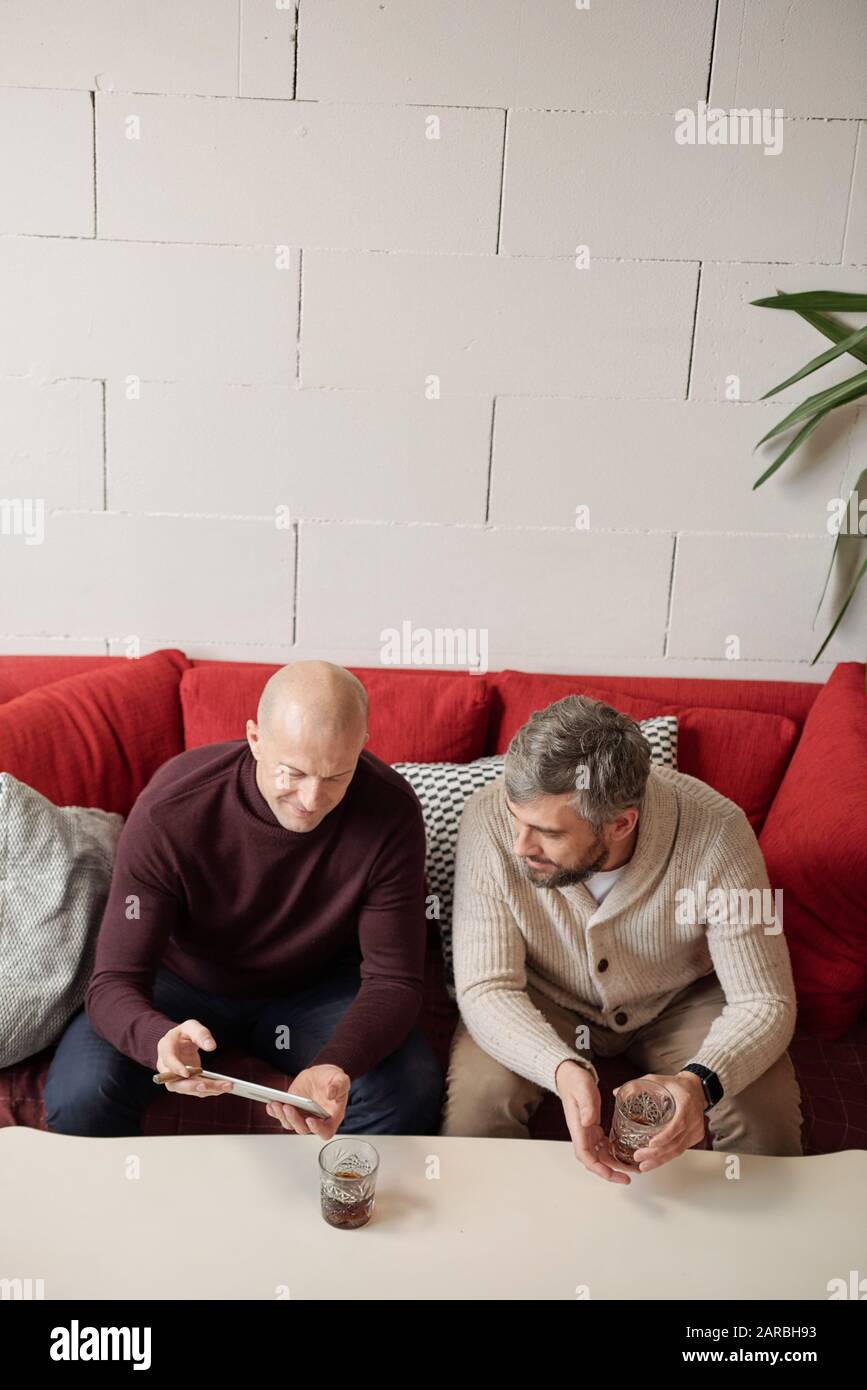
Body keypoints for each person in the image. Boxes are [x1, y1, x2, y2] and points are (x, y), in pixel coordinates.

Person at [45, 661, 443, 1138]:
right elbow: (113, 981)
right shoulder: (172, 809)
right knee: (80, 1095)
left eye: (337, 775)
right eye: (292, 772)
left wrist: (336, 1064)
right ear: (255, 739)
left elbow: (395, 980)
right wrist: (158, 1038)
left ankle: (323, 1207)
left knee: (409, 1089)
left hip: (315, 990)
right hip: (185, 983)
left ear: (361, 745)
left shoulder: (391, 811)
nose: (313, 799)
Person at [440, 695, 803, 1181]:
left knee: (766, 1120)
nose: (519, 845)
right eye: (516, 818)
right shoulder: (485, 820)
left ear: (620, 824)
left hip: (681, 999)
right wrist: (559, 1068)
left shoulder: (719, 832)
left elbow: (765, 999)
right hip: (541, 997)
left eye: (546, 831)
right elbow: (486, 987)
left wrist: (699, 1084)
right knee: (478, 1110)